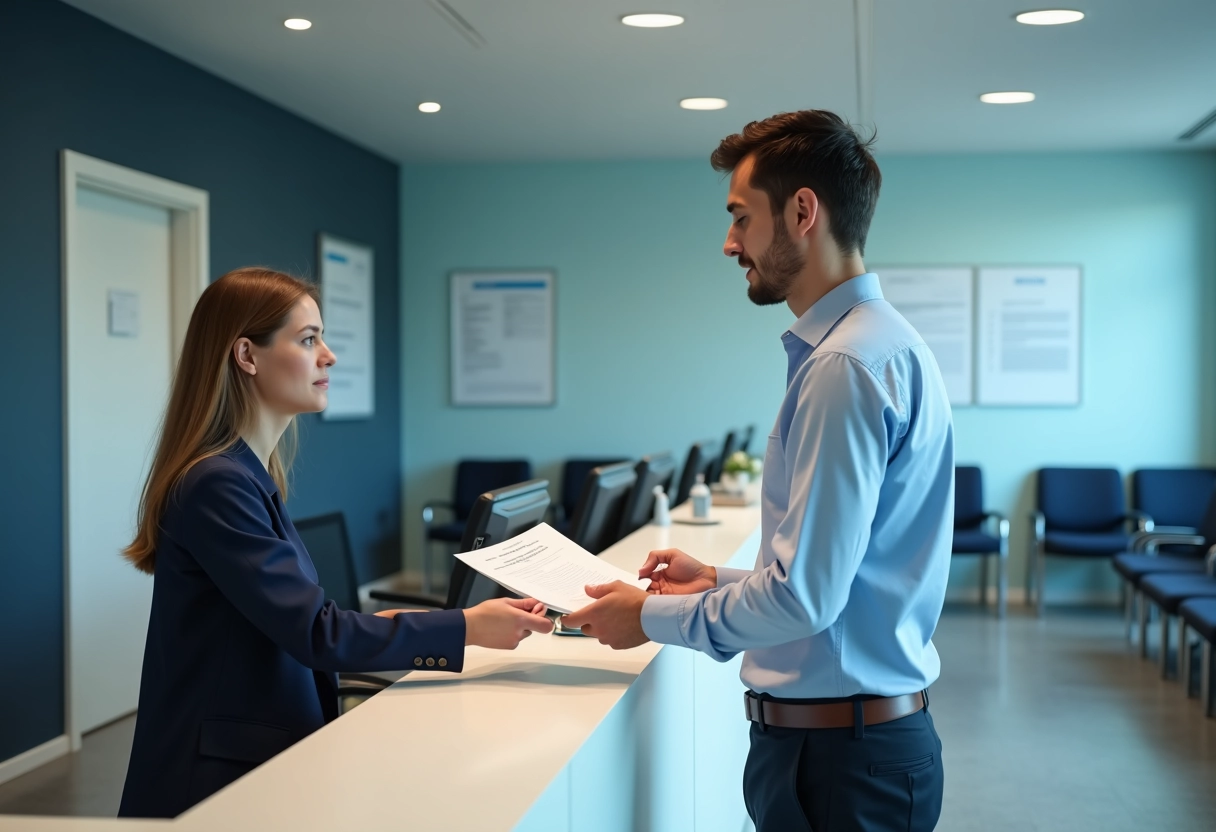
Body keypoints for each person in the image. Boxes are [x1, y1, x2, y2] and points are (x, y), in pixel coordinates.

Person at [562, 111, 953, 831]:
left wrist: (647, 615)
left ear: (803, 211)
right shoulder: (878, 348)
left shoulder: (844, 366)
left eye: (741, 217)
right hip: (853, 746)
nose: (729, 242)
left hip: (840, 761)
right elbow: (842, 583)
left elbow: (806, 601)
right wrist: (718, 581)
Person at [118, 267, 553, 819]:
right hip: (216, 777)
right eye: (308, 340)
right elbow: (315, 634)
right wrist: (468, 628)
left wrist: (443, 625)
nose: (330, 356)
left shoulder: (247, 475)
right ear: (247, 356)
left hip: (252, 754)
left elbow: (291, 622)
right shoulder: (217, 483)